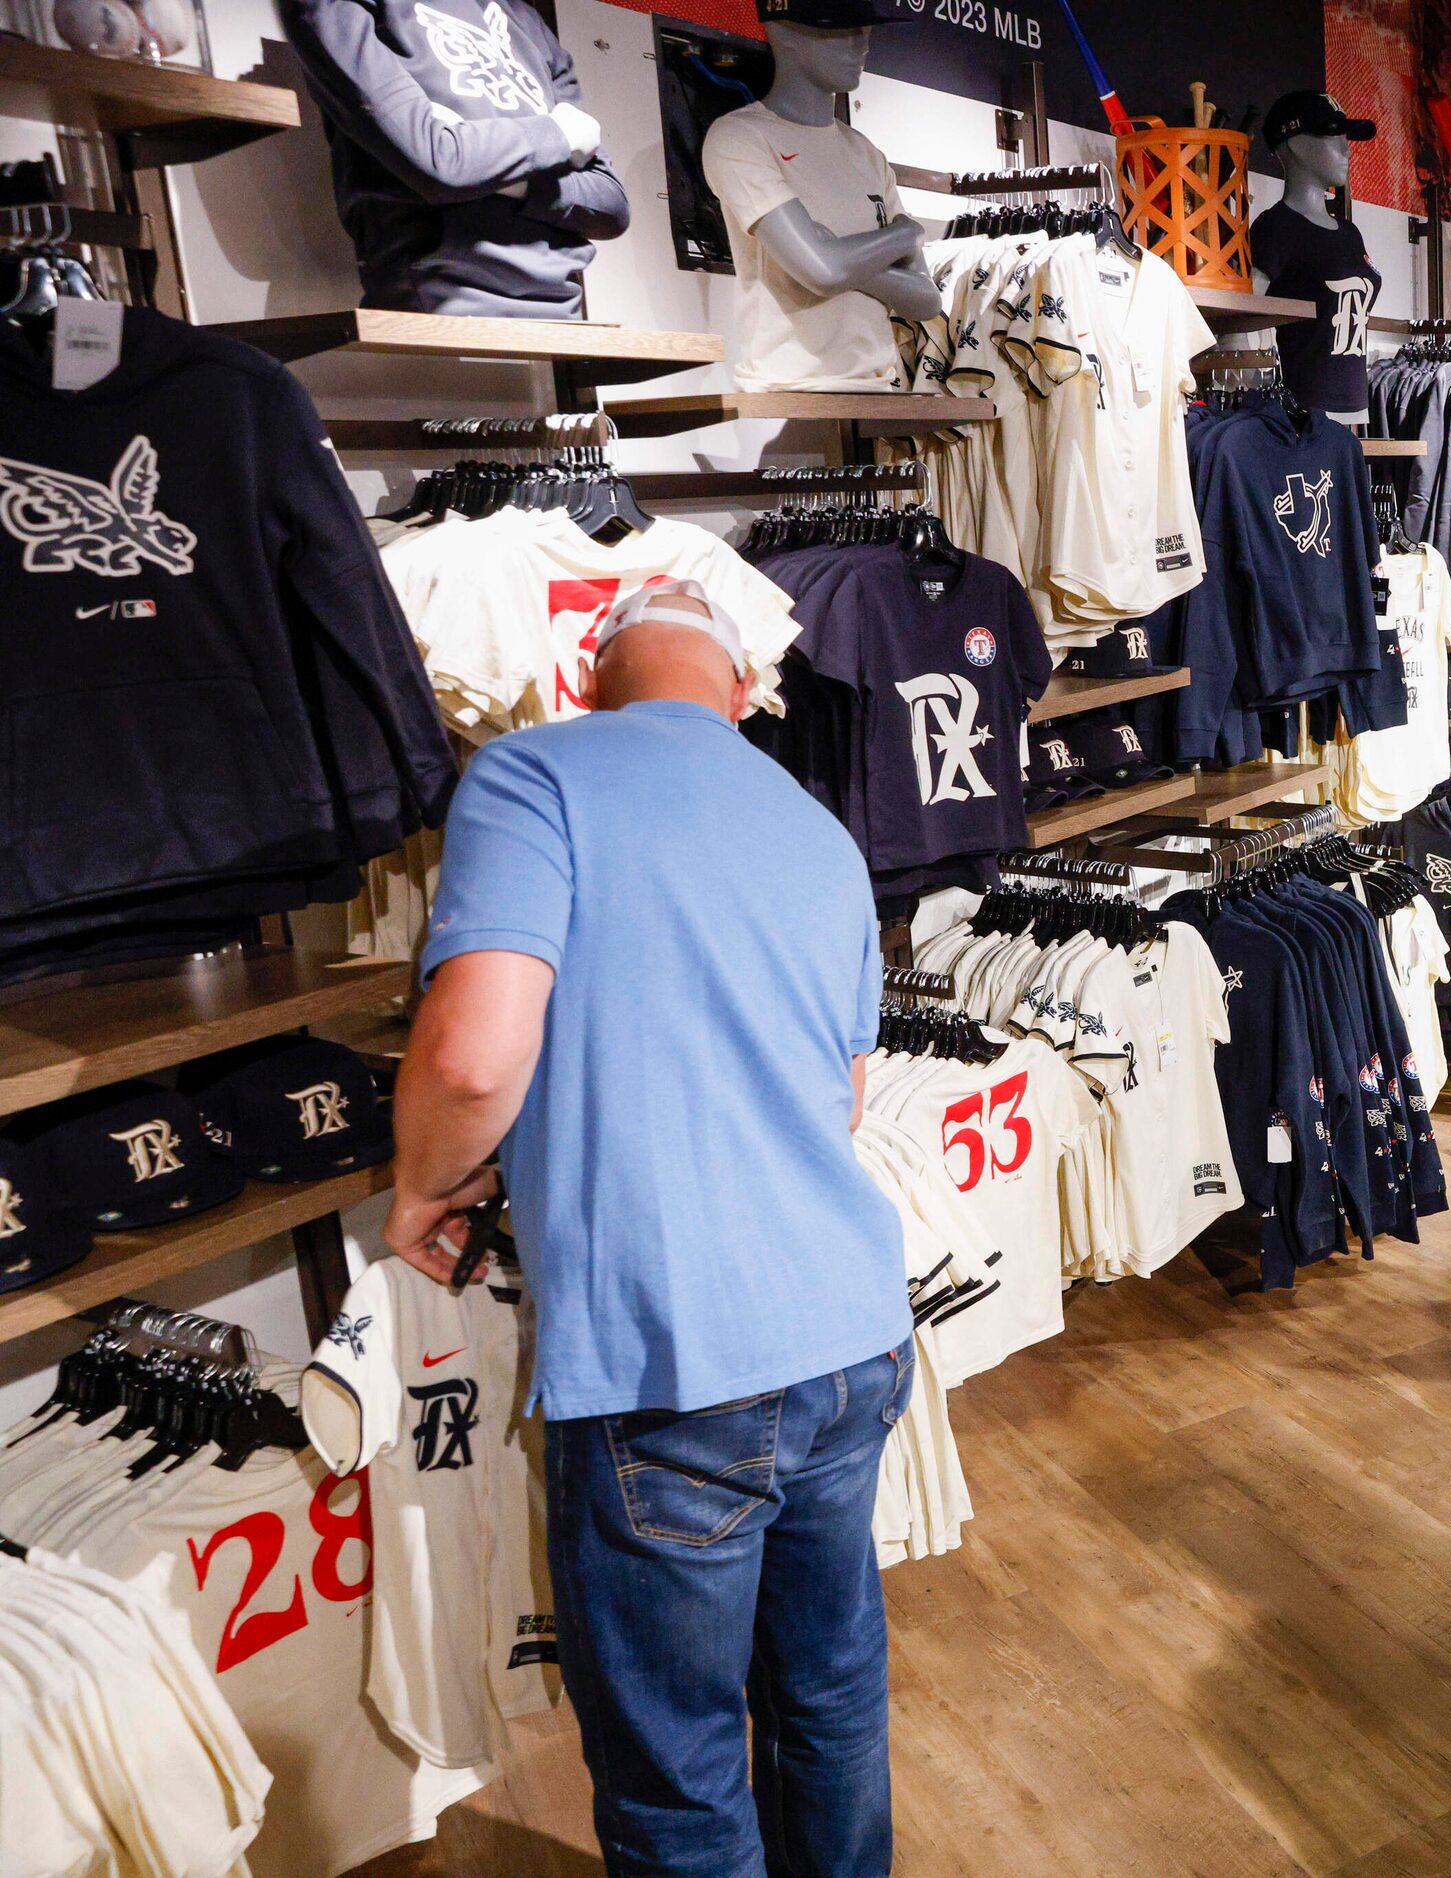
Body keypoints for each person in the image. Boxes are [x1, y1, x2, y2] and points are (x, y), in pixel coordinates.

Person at [386, 581, 913, 1876]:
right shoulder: (816, 825)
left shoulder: (532, 773)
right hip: (849, 1334)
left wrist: (423, 1186)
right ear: (739, 691)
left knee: (676, 1772)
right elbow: (836, 1095)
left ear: (589, 671)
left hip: (674, 1359)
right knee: (828, 1699)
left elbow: (470, 1057)